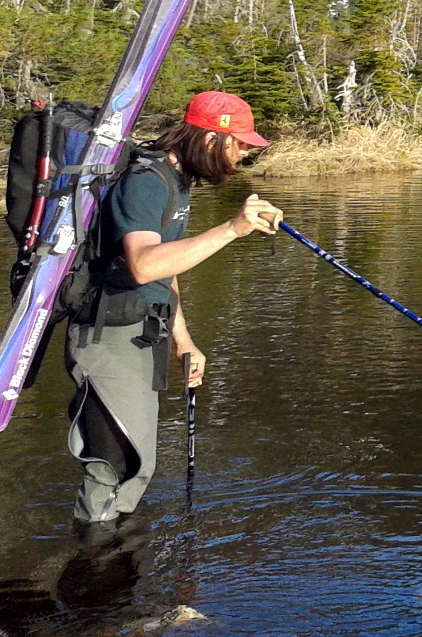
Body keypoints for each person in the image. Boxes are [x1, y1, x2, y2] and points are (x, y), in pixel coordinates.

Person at [65, 91, 282, 524]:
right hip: (107, 336)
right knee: (116, 465)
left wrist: (185, 343)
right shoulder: (146, 181)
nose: (242, 154)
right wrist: (231, 230)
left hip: (142, 331)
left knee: (134, 466)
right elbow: (145, 265)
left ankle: (117, 567)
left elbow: (168, 268)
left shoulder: (175, 181)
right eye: (237, 142)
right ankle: (92, 573)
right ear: (207, 139)